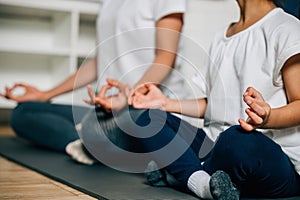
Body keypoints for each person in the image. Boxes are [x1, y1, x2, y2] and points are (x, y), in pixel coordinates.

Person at [128, 0, 300, 199]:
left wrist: (268, 116)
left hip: (271, 157)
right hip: (214, 144)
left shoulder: (287, 28)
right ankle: (202, 184)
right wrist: (165, 104)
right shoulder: (222, 36)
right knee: (149, 118)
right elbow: (215, 105)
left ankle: (181, 172)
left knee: (236, 138)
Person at [0, 0, 191, 165]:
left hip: (147, 111)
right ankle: (89, 143)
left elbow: (166, 57)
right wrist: (45, 94)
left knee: (103, 127)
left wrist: (129, 97)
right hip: (110, 112)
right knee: (23, 113)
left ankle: (94, 140)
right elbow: (100, 61)